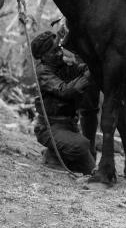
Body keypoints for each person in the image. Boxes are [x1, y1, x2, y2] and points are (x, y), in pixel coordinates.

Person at [31, 31, 96, 175]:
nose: (60, 54)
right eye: (54, 51)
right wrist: (89, 74)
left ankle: (57, 154)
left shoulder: (62, 65)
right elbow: (65, 91)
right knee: (82, 144)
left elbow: (81, 69)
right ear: (43, 56)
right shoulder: (43, 72)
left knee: (90, 169)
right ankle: (52, 156)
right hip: (49, 128)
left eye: (59, 48)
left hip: (69, 126)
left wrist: (91, 66)